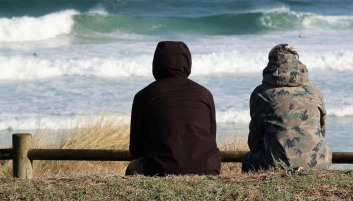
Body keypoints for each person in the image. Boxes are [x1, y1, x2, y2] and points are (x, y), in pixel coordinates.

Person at [126, 41, 221, 176]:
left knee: (133, 167)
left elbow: (135, 149)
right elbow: (211, 136)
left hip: (160, 168)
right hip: (207, 168)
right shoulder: (204, 94)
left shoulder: (144, 95)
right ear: (187, 62)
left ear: (156, 63)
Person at [243, 44, 331, 172]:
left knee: (248, 158)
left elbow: (255, 141)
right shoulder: (315, 91)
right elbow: (322, 131)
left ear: (271, 62)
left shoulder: (261, 93)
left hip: (277, 164)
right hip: (318, 161)